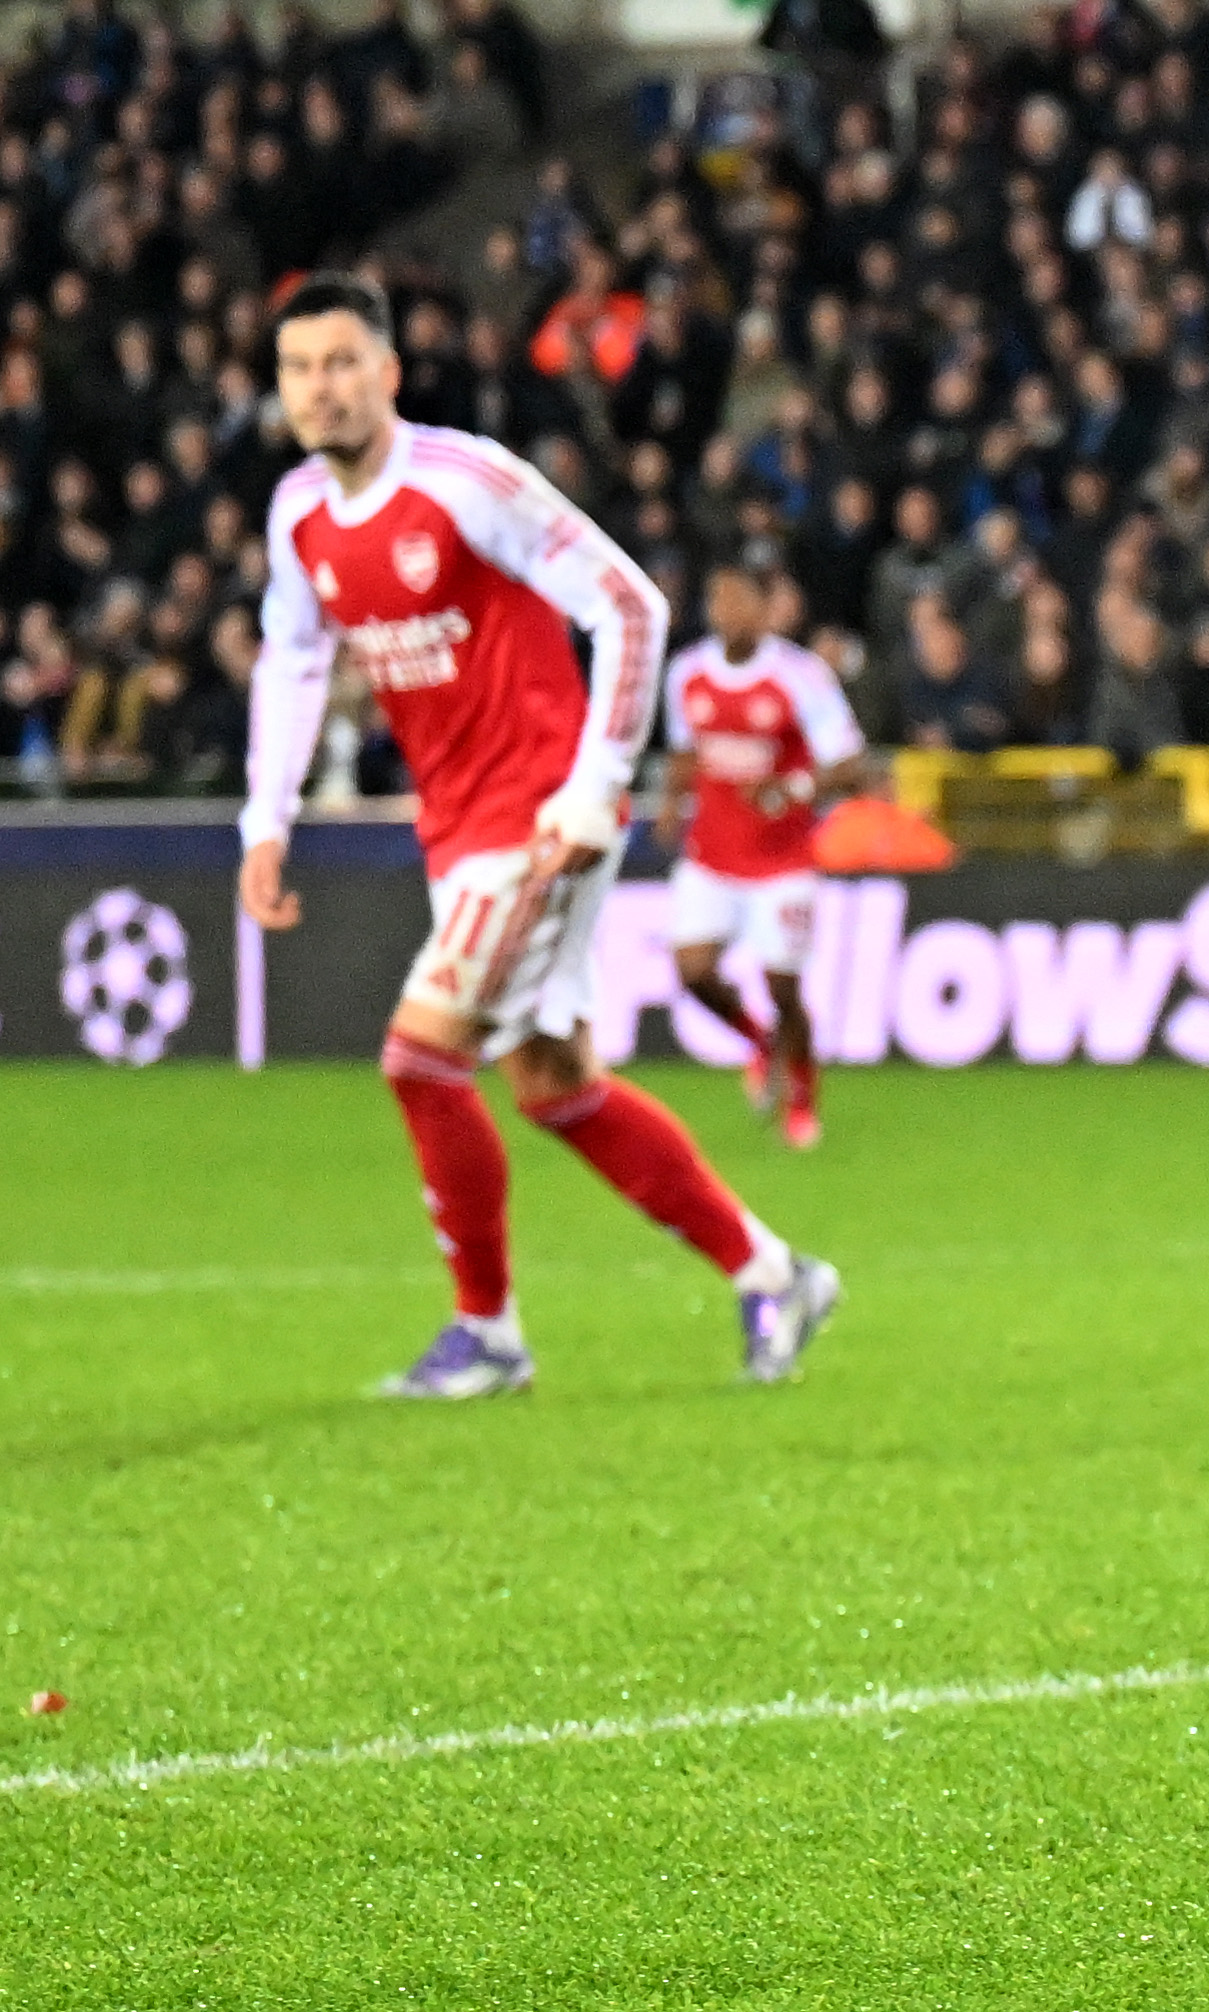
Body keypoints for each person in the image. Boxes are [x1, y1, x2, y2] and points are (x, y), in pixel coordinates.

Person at [235, 274, 841, 1400]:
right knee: (556, 1083)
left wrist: (595, 781)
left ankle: (489, 1335)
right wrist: (265, 820)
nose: (320, 388)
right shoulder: (298, 516)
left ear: (388, 372)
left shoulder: (467, 484)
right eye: (298, 368)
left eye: (340, 362)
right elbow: (295, 658)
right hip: (457, 825)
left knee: (419, 1059)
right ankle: (776, 1273)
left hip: (543, 815)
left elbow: (632, 605)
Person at [657, 561, 869, 1151]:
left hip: (782, 860)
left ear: (766, 607)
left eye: (739, 600)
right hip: (711, 855)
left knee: (783, 986)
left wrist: (793, 790)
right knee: (693, 971)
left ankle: (802, 1093)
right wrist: (673, 805)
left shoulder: (801, 676)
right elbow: (682, 750)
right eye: (718, 600)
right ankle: (757, 1040)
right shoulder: (686, 673)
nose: (727, 612)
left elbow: (851, 765)